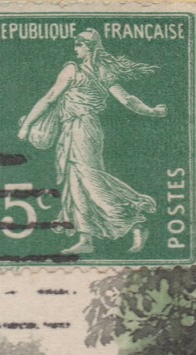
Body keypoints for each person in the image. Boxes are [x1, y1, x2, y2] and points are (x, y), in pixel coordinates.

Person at [17, 27, 166, 255]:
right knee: (75, 182)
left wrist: (27, 125)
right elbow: (127, 100)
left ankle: (136, 221)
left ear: (91, 47)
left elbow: (49, 99)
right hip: (76, 129)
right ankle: (86, 238)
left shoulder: (73, 70)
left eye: (79, 45)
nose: (75, 49)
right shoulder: (102, 71)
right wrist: (152, 111)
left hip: (82, 129)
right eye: (76, 45)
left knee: (89, 179)